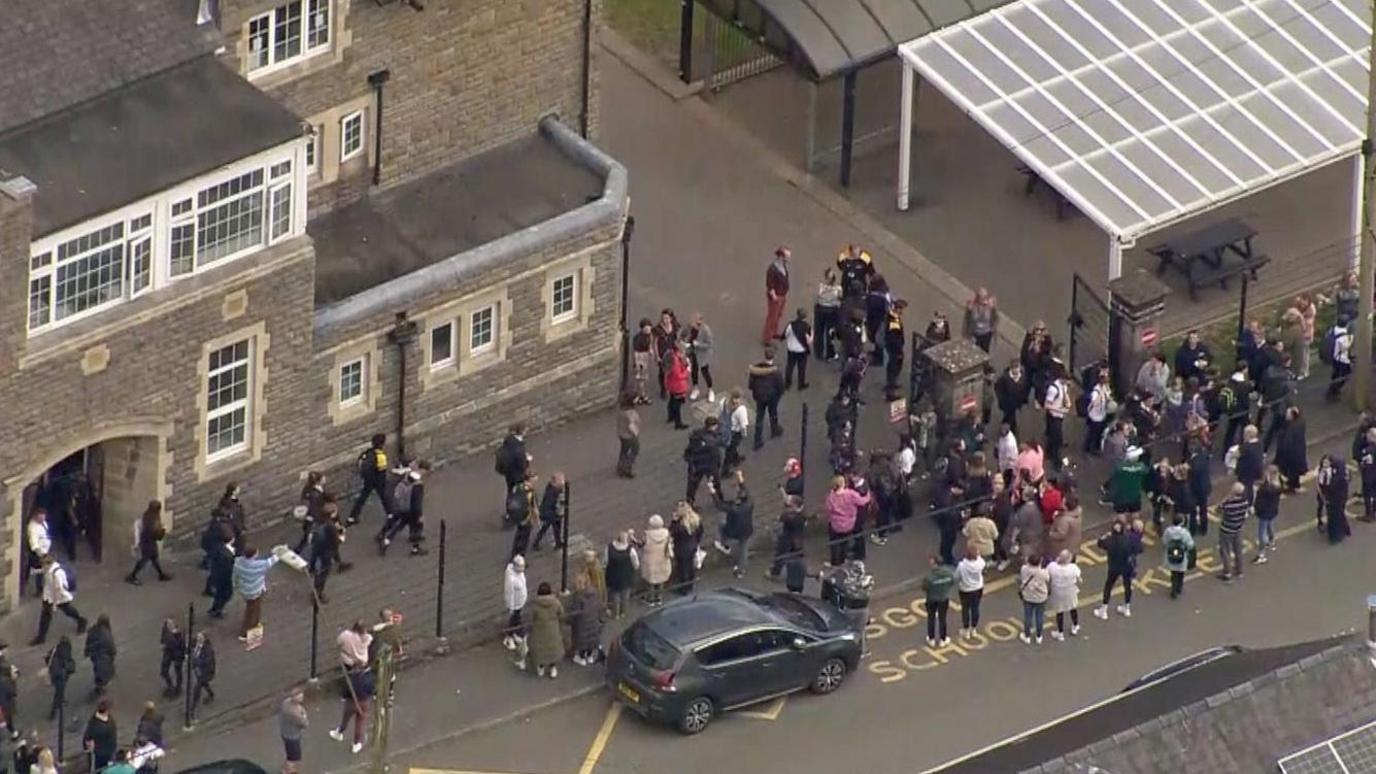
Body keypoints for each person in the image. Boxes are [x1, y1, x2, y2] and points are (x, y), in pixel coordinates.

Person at [31, 554, 85, 646]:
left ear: (49, 564)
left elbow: (58, 590)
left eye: (43, 565)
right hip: (48, 596)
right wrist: (36, 571)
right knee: (45, 616)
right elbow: (44, 572)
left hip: (59, 598)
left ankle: (81, 620)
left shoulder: (57, 574)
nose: (43, 566)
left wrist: (55, 605)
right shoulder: (48, 568)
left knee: (68, 611)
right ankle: (41, 637)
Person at [1093, 518, 1140, 619]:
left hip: (1114, 567)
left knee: (1108, 586)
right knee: (1127, 586)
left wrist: (1105, 536)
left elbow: (1099, 543)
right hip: (1127, 566)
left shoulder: (1110, 541)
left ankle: (1104, 609)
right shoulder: (1129, 539)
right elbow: (1138, 549)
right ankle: (1127, 608)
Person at [709, 471, 754, 578]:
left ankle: (725, 545)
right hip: (747, 529)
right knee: (744, 549)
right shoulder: (750, 502)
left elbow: (719, 505)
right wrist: (740, 478)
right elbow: (746, 490)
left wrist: (712, 491)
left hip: (733, 530)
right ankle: (740, 571)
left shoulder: (734, 509)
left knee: (721, 526)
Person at [233, 545, 279, 641]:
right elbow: (272, 561)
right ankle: (245, 633)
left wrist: (236, 586)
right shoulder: (259, 565)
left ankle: (253, 624)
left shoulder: (238, 562)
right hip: (255, 590)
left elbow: (235, 576)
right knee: (253, 610)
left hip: (244, 590)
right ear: (254, 555)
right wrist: (280, 552)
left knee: (251, 607)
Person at [825, 476, 871, 567]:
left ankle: (835, 562)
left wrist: (830, 520)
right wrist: (868, 494)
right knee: (845, 542)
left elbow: (828, 510)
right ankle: (843, 558)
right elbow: (862, 501)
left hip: (836, 525)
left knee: (834, 544)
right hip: (849, 524)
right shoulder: (850, 494)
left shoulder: (830, 498)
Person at [124, 500, 172, 584]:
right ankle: (132, 576)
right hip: (149, 542)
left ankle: (161, 574)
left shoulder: (147, 514)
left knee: (154, 558)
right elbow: (157, 535)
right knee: (145, 559)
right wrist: (163, 530)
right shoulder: (153, 520)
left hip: (146, 541)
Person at [329, 664, 374, 754]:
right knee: (360, 722)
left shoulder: (352, 679)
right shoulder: (369, 678)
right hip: (364, 702)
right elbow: (372, 690)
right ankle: (356, 743)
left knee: (346, 718)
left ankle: (339, 732)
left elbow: (346, 691)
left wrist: (344, 696)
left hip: (352, 702)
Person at [348, 434, 391, 526]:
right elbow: (381, 472)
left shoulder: (367, 452)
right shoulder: (381, 456)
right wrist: (382, 483)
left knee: (362, 498)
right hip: (377, 481)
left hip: (368, 480)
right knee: (384, 497)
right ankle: (390, 514)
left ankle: (352, 517)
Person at [748, 346, 785, 451]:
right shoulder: (776, 372)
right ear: (774, 356)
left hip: (759, 397)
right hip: (772, 397)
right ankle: (774, 430)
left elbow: (751, 385)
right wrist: (778, 396)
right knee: (773, 414)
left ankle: (757, 440)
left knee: (759, 417)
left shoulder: (756, 368)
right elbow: (781, 387)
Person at [495, 424, 531, 525]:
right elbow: (522, 464)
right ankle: (517, 514)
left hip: (509, 473)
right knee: (519, 493)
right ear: (523, 432)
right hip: (517, 474)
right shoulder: (518, 446)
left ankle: (509, 513)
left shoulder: (509, 440)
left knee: (511, 492)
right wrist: (527, 460)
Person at [527, 583, 564, 679]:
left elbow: (531, 618)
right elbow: (561, 613)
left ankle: (541, 668)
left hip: (539, 632)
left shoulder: (535, 606)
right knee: (552, 649)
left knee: (540, 650)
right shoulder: (556, 602)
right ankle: (553, 668)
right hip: (553, 631)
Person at [566, 575, 604, 666]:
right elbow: (599, 606)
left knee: (582, 642)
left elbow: (575, 612)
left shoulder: (578, 596)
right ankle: (589, 656)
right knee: (591, 640)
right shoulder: (595, 593)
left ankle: (581, 658)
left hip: (582, 625)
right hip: (593, 623)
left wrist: (567, 619)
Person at [769, 495, 807, 580]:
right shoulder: (802, 515)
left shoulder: (790, 516)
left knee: (780, 555)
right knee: (797, 556)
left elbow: (783, 518)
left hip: (787, 539)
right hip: (798, 539)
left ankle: (775, 573)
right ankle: (800, 572)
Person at [669, 502, 704, 595]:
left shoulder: (680, 526)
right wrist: (697, 542)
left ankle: (683, 589)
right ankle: (690, 585)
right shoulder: (696, 520)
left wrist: (674, 521)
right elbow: (700, 532)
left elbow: (672, 532)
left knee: (683, 569)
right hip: (692, 546)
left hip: (682, 549)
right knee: (690, 566)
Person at [1217, 482, 1250, 582]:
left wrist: (1228, 497)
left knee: (1225, 551)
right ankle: (1239, 570)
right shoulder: (1245, 503)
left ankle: (1227, 572)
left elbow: (1218, 509)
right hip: (1238, 528)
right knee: (1238, 550)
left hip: (1226, 529)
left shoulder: (1228, 504)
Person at [1047, 550, 1082, 640]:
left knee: (1059, 611)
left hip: (1057, 591)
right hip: (1070, 590)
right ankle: (1075, 625)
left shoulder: (1052, 567)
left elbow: (1047, 575)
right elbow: (1079, 576)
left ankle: (1060, 633)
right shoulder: (1073, 568)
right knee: (1072, 607)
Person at [639, 515, 673, 606]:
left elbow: (641, 545)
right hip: (663, 560)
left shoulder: (646, 535)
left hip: (650, 561)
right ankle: (659, 597)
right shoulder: (666, 533)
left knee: (651, 581)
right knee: (661, 579)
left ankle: (650, 599)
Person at [921, 556, 955, 648]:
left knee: (931, 618)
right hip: (943, 598)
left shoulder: (929, 577)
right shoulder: (949, 573)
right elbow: (952, 581)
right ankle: (943, 639)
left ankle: (931, 638)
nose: (930, 565)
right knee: (942, 619)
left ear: (936, 564)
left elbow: (925, 588)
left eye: (932, 563)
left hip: (932, 599)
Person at [1252, 466, 1282, 563]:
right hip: (1272, 511)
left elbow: (1262, 493)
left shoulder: (1269, 488)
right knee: (1270, 525)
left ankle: (1262, 554)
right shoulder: (1277, 484)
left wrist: (1256, 490)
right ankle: (1272, 541)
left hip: (1264, 512)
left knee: (1261, 534)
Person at [605, 532, 638, 620]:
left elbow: (606, 561)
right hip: (626, 575)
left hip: (613, 575)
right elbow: (635, 563)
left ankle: (616, 614)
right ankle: (623, 612)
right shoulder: (630, 550)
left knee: (615, 595)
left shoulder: (609, 548)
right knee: (625, 594)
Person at [1018, 556, 1050, 645]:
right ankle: (1039, 636)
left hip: (1028, 596)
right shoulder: (1043, 573)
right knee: (1039, 616)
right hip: (1041, 597)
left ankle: (1027, 636)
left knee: (1028, 616)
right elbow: (1048, 579)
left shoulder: (1024, 569)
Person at [956, 546, 986, 640]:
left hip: (965, 589)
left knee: (965, 609)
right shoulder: (981, 563)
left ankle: (966, 629)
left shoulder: (962, 565)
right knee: (975, 608)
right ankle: (974, 628)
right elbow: (981, 559)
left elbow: (956, 577)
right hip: (978, 588)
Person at [1275, 406, 1309, 492]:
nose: (1286, 415)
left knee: (1288, 471)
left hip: (1291, 453)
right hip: (1297, 452)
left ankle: (1289, 486)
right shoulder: (1299, 423)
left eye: (1288, 414)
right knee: (1293, 472)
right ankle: (1292, 485)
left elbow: (1287, 442)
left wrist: (1282, 453)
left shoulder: (1292, 428)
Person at [685, 312, 716, 402]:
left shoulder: (706, 330)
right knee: (694, 371)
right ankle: (695, 388)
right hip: (693, 353)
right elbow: (686, 335)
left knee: (705, 372)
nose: (693, 324)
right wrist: (686, 342)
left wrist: (699, 344)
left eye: (696, 321)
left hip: (703, 356)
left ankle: (710, 390)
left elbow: (709, 344)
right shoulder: (690, 327)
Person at [206, 525, 236, 618]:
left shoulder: (219, 548)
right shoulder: (227, 555)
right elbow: (228, 569)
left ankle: (215, 608)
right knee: (226, 595)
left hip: (217, 575)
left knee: (219, 595)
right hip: (225, 579)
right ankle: (217, 610)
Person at [1044, 370, 1071, 469]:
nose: (1069, 383)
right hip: (1054, 416)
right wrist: (1061, 410)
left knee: (1052, 436)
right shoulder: (1053, 389)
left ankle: (1048, 451)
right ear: (1062, 379)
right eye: (1068, 381)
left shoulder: (1063, 386)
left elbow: (1065, 394)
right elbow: (1047, 405)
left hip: (1059, 416)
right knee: (1056, 439)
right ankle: (1056, 461)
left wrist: (1068, 402)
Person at [1321, 456, 1352, 545]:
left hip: (1335, 498)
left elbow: (1329, 485)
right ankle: (1345, 529)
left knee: (1334, 516)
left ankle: (1335, 536)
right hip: (1340, 496)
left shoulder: (1336, 475)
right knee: (1339, 513)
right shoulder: (1343, 472)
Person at [533, 472, 567, 551]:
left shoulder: (555, 489)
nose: (563, 482)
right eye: (561, 481)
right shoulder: (552, 492)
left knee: (556, 528)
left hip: (554, 513)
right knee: (546, 528)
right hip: (549, 513)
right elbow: (550, 504)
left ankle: (558, 542)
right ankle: (536, 543)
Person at [814, 268, 843, 361]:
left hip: (820, 309)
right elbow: (840, 298)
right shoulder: (838, 288)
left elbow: (818, 296)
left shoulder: (821, 286)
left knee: (819, 331)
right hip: (832, 311)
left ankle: (818, 352)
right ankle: (829, 354)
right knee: (830, 332)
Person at [43, 636, 75, 721]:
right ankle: (53, 711)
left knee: (59, 692)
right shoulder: (65, 651)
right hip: (61, 676)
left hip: (55, 675)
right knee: (58, 694)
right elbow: (67, 662)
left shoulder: (55, 650)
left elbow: (47, 659)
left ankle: (60, 701)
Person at [763, 246, 791, 344]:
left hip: (782, 295)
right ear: (781, 257)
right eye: (787, 256)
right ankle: (767, 338)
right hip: (776, 297)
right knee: (772, 317)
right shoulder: (772, 269)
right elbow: (770, 284)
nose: (788, 259)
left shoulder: (783, 265)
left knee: (778, 315)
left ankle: (774, 332)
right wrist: (773, 295)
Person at [502, 556, 528, 655]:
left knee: (517, 618)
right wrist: (511, 607)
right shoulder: (511, 579)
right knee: (513, 620)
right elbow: (510, 594)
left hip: (520, 602)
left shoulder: (519, 574)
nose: (522, 569)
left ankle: (515, 633)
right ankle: (508, 637)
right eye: (520, 567)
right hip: (515, 604)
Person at [279, 688, 309, 774]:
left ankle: (285, 770)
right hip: (293, 736)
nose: (302, 698)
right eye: (300, 697)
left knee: (290, 754)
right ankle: (288, 771)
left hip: (285, 732)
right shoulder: (295, 713)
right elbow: (305, 724)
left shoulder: (286, 703)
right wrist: (304, 715)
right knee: (293, 758)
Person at [883, 301, 908, 400]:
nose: (902, 312)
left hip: (892, 347)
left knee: (892, 367)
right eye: (901, 309)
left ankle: (891, 385)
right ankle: (891, 393)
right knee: (894, 367)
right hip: (894, 349)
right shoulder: (893, 321)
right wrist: (899, 352)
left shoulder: (892, 317)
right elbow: (894, 338)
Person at [721, 390, 750, 475]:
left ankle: (736, 458)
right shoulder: (741, 409)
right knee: (730, 450)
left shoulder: (723, 401)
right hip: (734, 432)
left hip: (725, 429)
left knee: (731, 447)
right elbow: (743, 425)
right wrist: (744, 434)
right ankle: (725, 470)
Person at [82, 700, 117, 770]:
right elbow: (87, 738)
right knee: (99, 769)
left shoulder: (107, 719)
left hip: (108, 751)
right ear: (106, 711)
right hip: (100, 754)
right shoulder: (95, 724)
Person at [783, 308, 812, 391]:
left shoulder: (790, 325)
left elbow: (785, 334)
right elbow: (808, 341)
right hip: (801, 350)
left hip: (791, 349)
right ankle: (801, 384)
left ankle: (787, 383)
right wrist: (812, 335)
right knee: (801, 367)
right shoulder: (806, 327)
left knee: (790, 366)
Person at [664, 344, 691, 430]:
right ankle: (678, 423)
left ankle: (670, 416)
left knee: (672, 401)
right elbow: (678, 375)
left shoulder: (671, 357)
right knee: (677, 404)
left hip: (671, 384)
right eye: (683, 352)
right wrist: (687, 371)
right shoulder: (675, 362)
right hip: (677, 386)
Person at [1326, 316, 1354, 401]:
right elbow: (1345, 347)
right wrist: (1351, 339)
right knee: (1345, 375)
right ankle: (1333, 391)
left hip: (1334, 357)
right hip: (1342, 359)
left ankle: (1333, 390)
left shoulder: (1333, 330)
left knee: (1335, 374)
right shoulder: (1343, 336)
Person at [963, 287, 999, 352]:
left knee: (985, 351)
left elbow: (996, 318)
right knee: (974, 351)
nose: (984, 300)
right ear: (978, 298)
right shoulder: (973, 306)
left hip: (986, 333)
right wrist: (968, 310)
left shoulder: (990, 306)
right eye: (982, 298)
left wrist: (994, 309)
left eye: (985, 297)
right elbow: (967, 319)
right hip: (975, 333)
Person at [158, 618, 186, 698]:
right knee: (164, 671)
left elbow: (181, 645)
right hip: (168, 652)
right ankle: (170, 685)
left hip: (177, 655)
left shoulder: (179, 633)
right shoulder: (165, 630)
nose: (169, 626)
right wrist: (162, 643)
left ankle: (178, 688)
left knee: (178, 671)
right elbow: (163, 636)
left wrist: (176, 635)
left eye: (171, 624)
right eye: (168, 624)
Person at [616, 392, 641, 478]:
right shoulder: (630, 413)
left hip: (621, 434)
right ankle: (627, 469)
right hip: (629, 437)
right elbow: (631, 425)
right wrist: (636, 433)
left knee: (624, 451)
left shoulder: (622, 410)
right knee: (635, 450)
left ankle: (620, 467)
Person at [190, 631, 216, 712]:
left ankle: (194, 705)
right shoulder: (195, 643)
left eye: (200, 638)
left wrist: (197, 661)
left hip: (205, 672)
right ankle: (211, 694)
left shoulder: (208, 649)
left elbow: (207, 661)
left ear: (204, 639)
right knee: (204, 684)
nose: (198, 639)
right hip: (198, 670)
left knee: (197, 688)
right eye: (198, 637)